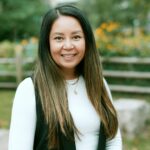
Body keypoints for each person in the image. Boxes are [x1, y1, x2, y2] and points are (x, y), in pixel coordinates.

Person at [8, 3, 122, 150]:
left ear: (87, 41)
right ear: (47, 43)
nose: (68, 45)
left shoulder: (99, 84)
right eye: (58, 38)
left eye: (76, 37)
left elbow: (113, 139)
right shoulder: (29, 90)